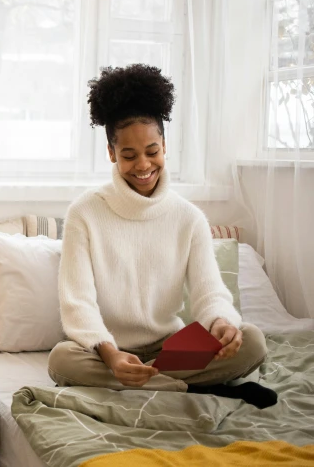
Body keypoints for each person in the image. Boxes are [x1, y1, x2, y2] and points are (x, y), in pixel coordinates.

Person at [48, 64, 277, 409]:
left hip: (172, 350)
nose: (143, 165)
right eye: (129, 155)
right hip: (106, 351)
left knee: (253, 341)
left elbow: (209, 293)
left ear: (165, 146)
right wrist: (111, 356)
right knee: (60, 359)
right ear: (111, 153)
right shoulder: (84, 213)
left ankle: (149, 383)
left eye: (152, 151)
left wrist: (221, 324)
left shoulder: (189, 218)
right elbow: (77, 304)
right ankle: (198, 388)